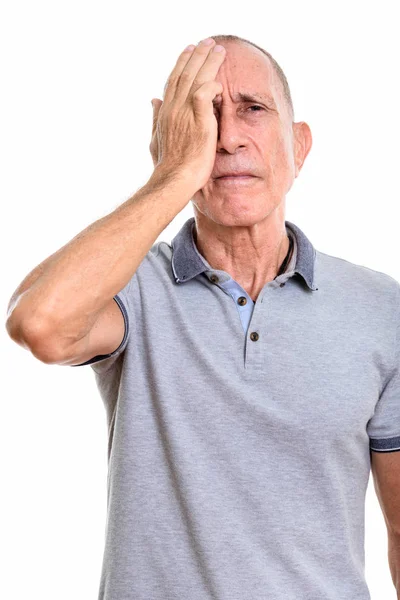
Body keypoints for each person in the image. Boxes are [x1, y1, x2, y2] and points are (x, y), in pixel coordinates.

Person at [5, 34, 400, 600]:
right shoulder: (133, 291)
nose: (229, 137)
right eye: (205, 116)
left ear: (300, 146)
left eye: (252, 110)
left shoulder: (381, 309)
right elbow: (39, 324)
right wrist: (173, 173)